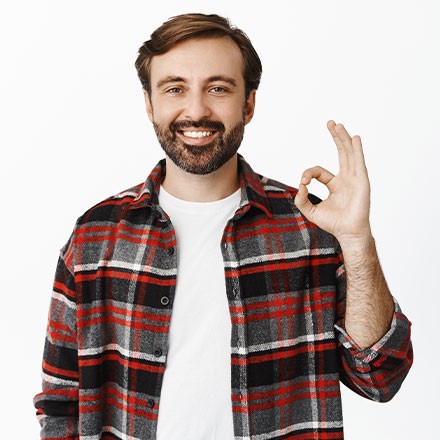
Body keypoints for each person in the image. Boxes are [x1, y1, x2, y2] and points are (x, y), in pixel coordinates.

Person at [33, 13, 413, 440]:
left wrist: (358, 241)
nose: (196, 110)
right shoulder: (95, 237)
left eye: (218, 88)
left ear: (248, 104)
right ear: (149, 104)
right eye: (175, 88)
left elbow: (380, 377)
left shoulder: (310, 227)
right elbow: (61, 403)